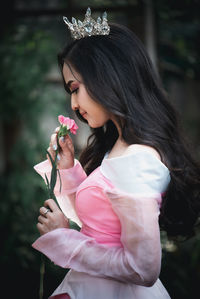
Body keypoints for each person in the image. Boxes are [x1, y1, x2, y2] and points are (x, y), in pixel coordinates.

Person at [32, 8, 200, 299]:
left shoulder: (137, 159)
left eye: (75, 88)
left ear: (107, 77)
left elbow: (143, 269)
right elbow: (96, 224)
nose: (72, 103)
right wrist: (69, 169)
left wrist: (65, 239)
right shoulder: (120, 148)